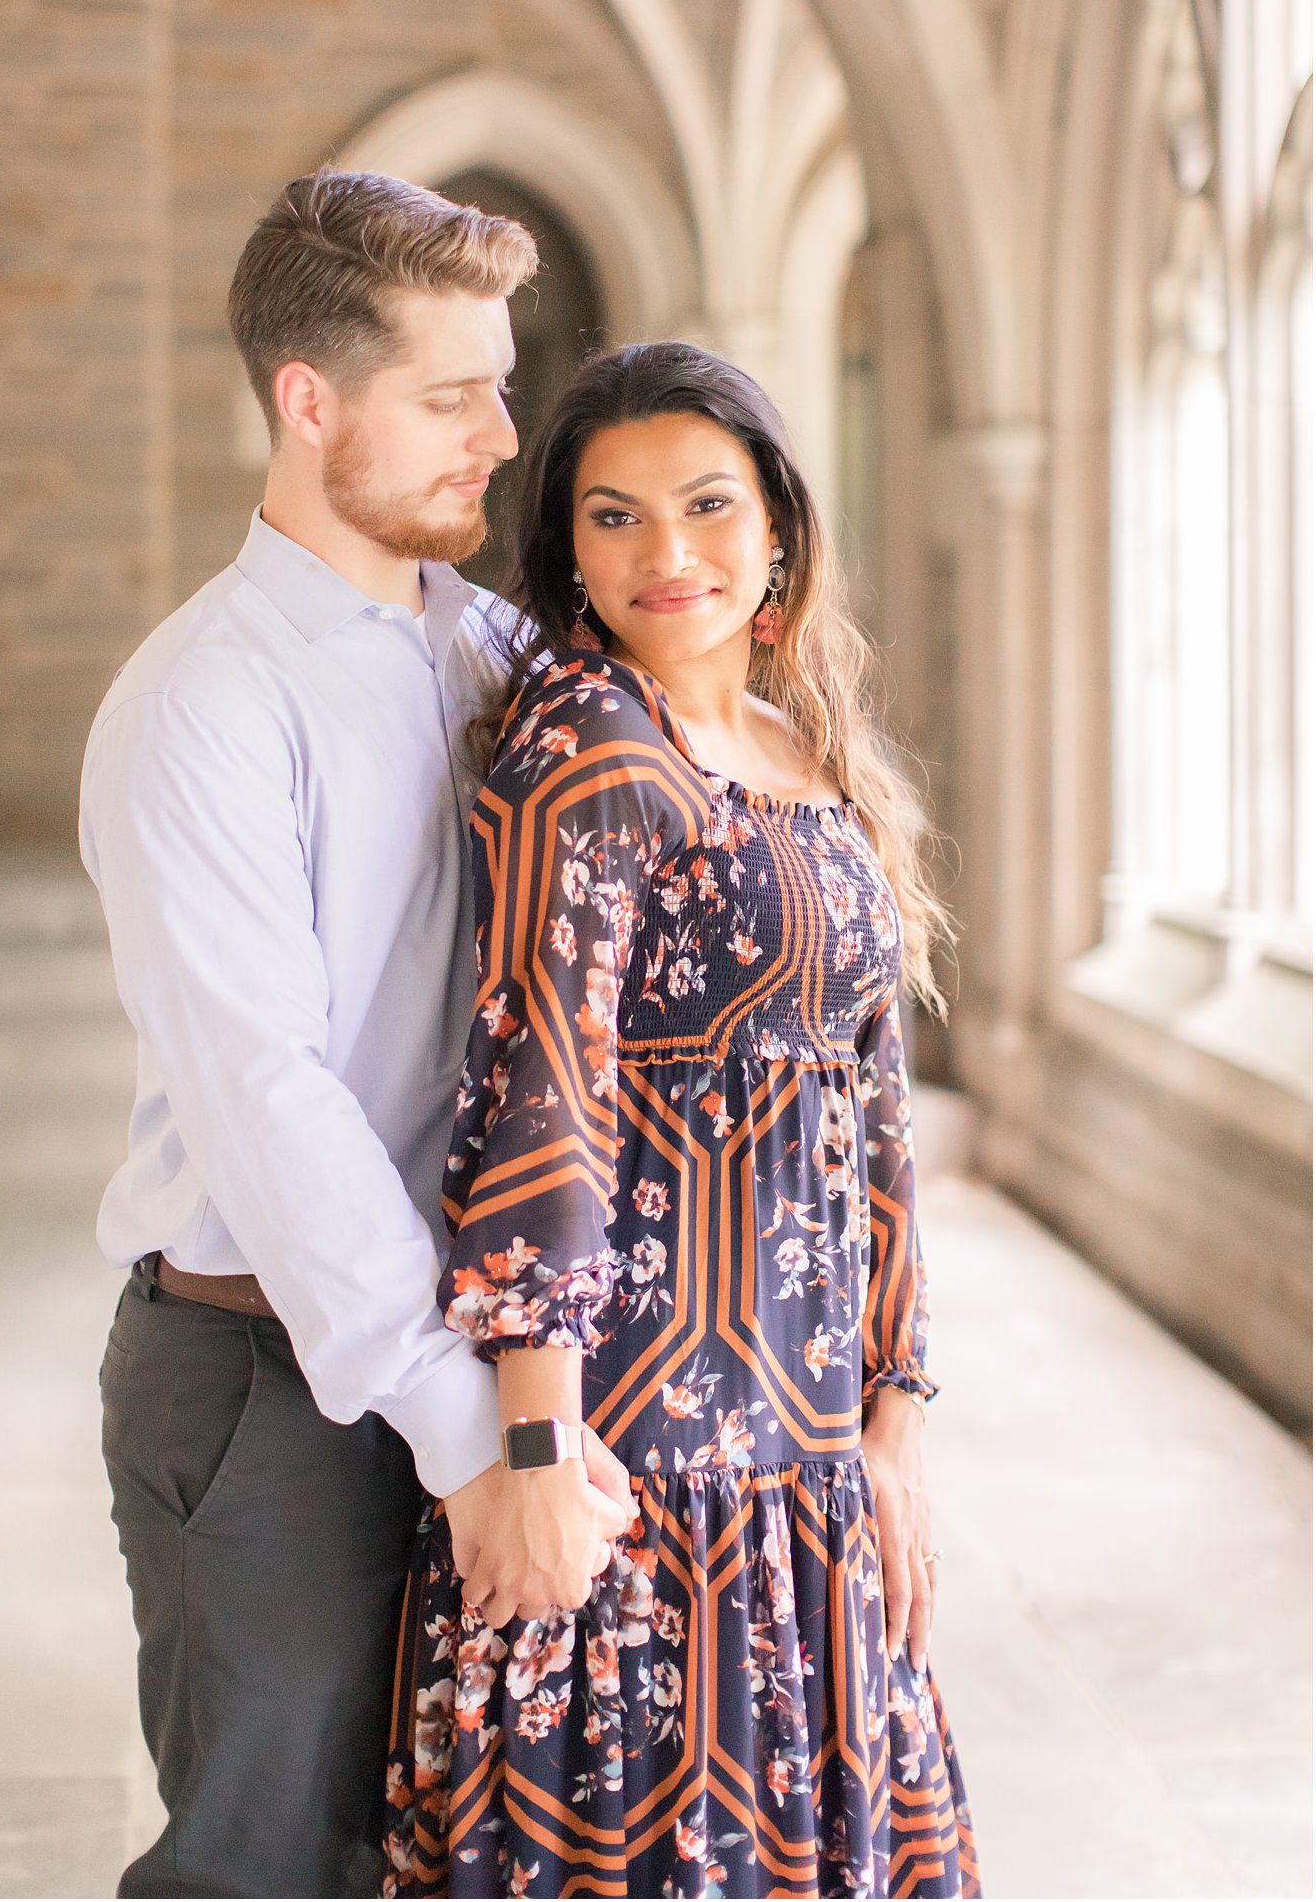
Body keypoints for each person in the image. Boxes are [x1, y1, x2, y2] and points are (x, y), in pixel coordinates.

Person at [80, 171, 633, 1901]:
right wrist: (479, 1441)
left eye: (503, 381)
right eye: (450, 393)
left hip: (482, 1360)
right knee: (272, 1866)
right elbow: (273, 1104)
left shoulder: (498, 652)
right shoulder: (203, 705)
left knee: (462, 1856)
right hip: (264, 1388)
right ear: (306, 402)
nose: (503, 430)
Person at [384, 342, 981, 1899]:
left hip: (807, 1446)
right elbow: (542, 1101)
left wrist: (894, 1421)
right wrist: (531, 1444)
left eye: (708, 506)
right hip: (643, 1448)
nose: (669, 555)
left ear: (778, 525)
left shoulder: (801, 747)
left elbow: (874, 1113)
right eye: (616, 517)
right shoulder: (586, 746)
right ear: (567, 550)